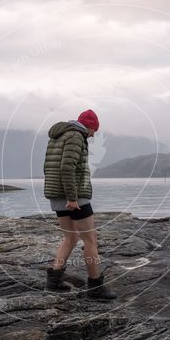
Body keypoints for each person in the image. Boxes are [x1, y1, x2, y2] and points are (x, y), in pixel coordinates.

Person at [43, 109, 116, 300]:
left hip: (56, 194)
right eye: (94, 131)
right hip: (73, 195)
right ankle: (95, 287)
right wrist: (72, 197)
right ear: (90, 126)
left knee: (71, 238)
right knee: (90, 239)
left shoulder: (58, 136)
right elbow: (67, 167)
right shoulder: (76, 136)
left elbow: (49, 166)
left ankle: (54, 281)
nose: (93, 135)